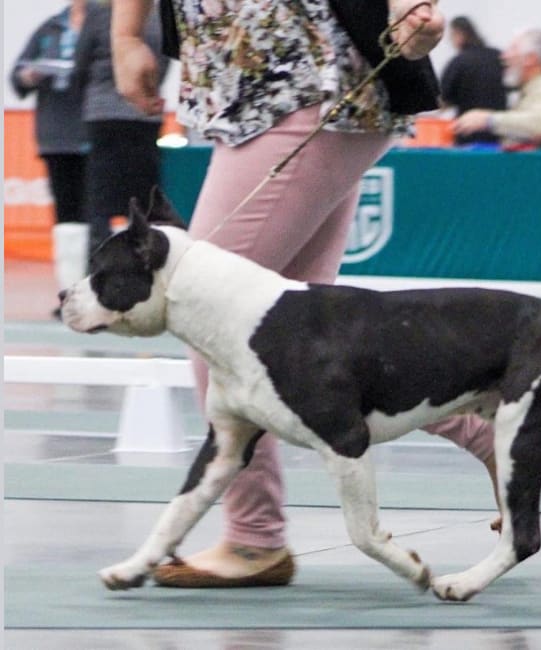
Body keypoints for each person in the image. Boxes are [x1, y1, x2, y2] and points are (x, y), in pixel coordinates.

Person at [111, 0, 499, 588]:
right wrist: (124, 33)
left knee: (211, 322)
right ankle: (492, 438)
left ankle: (253, 537)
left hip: (301, 80)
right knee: (318, 342)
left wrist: (404, 7)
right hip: (270, 84)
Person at [10, 0, 91, 316]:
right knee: (67, 216)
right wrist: (29, 75)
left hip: (95, 132)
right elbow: (17, 76)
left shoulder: (104, 22)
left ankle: (98, 293)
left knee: (96, 216)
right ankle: (69, 293)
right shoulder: (49, 28)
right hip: (57, 136)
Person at [71, 0, 169, 258]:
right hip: (145, 114)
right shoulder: (159, 13)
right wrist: (150, 91)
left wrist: (85, 95)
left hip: (103, 115)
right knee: (145, 195)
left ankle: (97, 263)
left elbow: (80, 62)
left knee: (99, 197)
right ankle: (146, 258)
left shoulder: (99, 11)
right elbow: (164, 60)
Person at [454, 28, 541, 149]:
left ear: (530, 59)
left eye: (512, 49)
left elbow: (540, 127)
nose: (504, 56)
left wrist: (488, 120)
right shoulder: (534, 90)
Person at [440, 16, 507, 145]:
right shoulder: (499, 56)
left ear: (459, 34)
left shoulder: (458, 62)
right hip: (499, 135)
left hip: (467, 135)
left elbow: (443, 101)